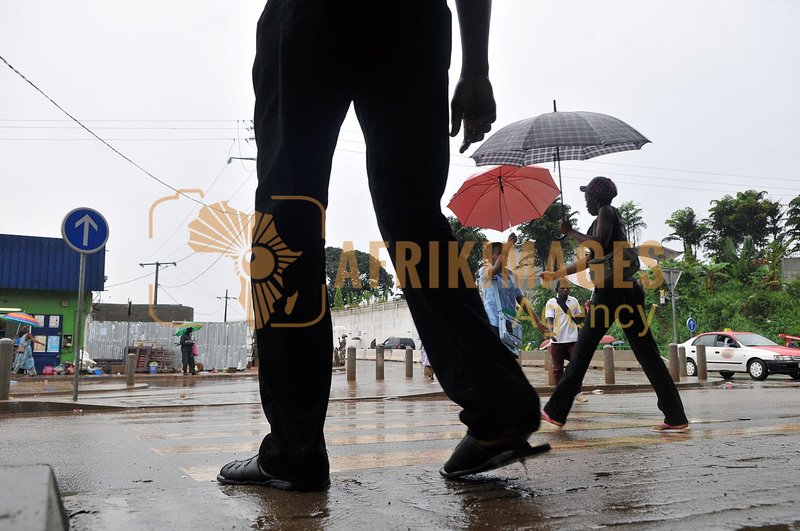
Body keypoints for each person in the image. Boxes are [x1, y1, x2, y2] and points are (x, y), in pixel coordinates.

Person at [218, 0, 548, 491]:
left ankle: (294, 449)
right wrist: (476, 64)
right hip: (411, 21)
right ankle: (498, 410)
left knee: (287, 218)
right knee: (414, 215)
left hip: (307, 17)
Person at [540, 176, 689, 432]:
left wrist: (570, 232)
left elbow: (596, 246)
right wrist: (556, 274)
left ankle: (555, 411)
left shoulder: (607, 212)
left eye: (587, 195)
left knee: (584, 350)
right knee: (647, 355)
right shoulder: (601, 219)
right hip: (623, 292)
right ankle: (675, 416)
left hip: (613, 293)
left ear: (596, 197)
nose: (585, 200)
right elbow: (591, 258)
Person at [479, 234, 548, 355]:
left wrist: (538, 322)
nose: (505, 256)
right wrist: (509, 244)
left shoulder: (512, 276)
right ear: (490, 257)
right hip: (493, 323)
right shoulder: (485, 271)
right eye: (499, 253)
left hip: (510, 324)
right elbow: (496, 268)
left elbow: (522, 301)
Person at [544, 281, 584, 387]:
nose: (565, 290)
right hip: (557, 340)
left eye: (567, 288)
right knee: (558, 368)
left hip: (573, 340)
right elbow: (549, 319)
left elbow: (579, 320)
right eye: (562, 288)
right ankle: (560, 393)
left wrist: (587, 309)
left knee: (577, 366)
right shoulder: (551, 302)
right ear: (557, 290)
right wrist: (551, 332)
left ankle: (578, 392)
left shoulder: (574, 301)